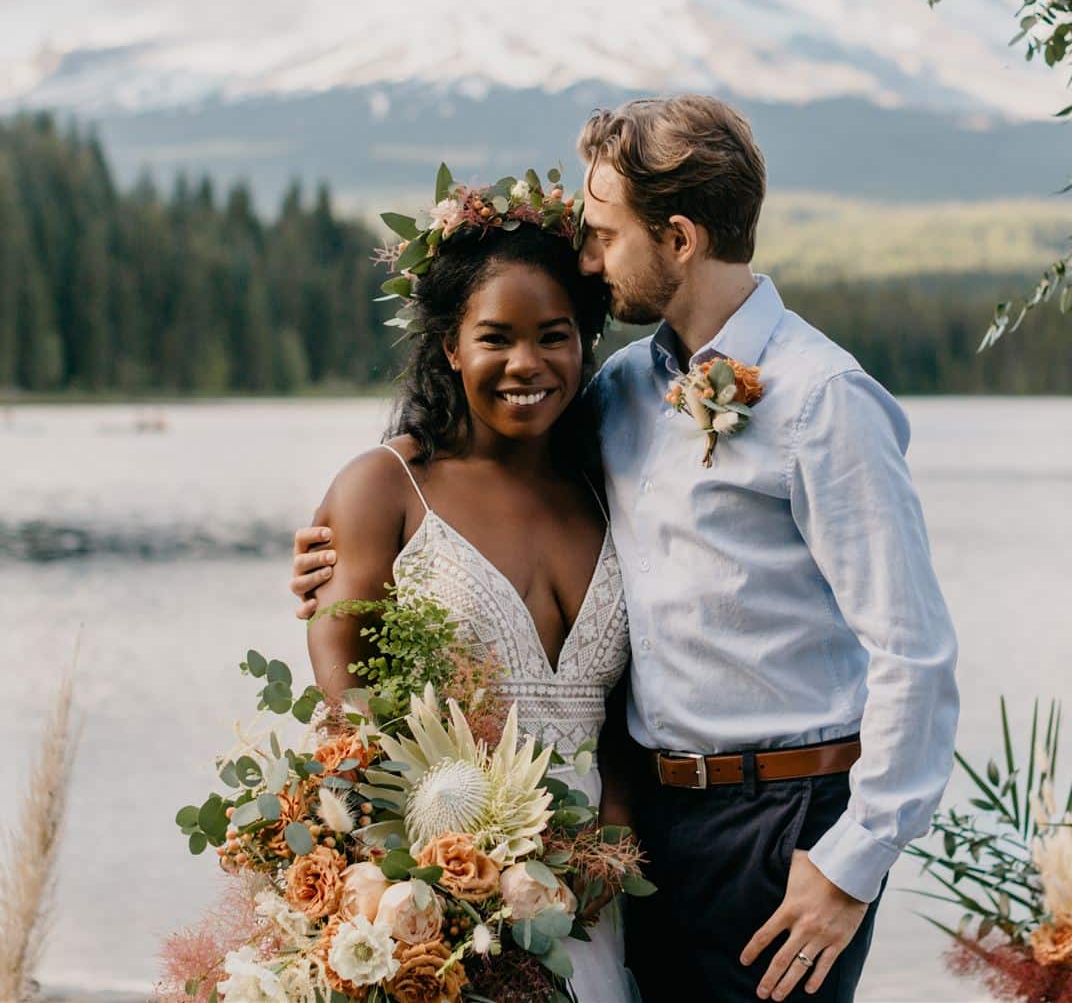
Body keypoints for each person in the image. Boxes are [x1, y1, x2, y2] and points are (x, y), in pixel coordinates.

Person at [295, 96, 960, 1002]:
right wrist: (362, 504)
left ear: (679, 237)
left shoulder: (822, 400)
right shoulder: (618, 392)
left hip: (783, 821)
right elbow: (484, 455)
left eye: (604, 235)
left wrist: (853, 863)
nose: (588, 259)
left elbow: (913, 651)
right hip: (644, 824)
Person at [303, 184, 637, 1001]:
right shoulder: (386, 489)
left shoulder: (612, 488)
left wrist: (607, 850)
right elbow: (346, 687)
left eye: (554, 336)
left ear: (584, 345)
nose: (527, 363)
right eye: (497, 338)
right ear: (451, 346)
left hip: (593, 901)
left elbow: (631, 708)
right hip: (440, 899)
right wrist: (446, 874)